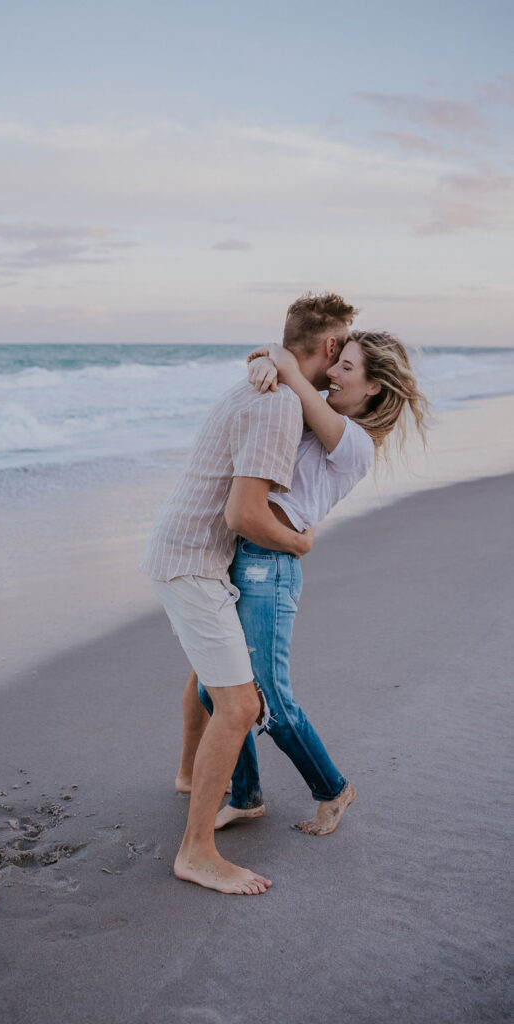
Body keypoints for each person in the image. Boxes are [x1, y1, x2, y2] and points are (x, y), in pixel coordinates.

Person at [141, 292, 358, 895]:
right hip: (196, 563)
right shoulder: (278, 406)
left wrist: (267, 358)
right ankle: (197, 853)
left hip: (179, 552)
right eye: (342, 353)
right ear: (332, 346)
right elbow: (243, 516)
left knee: (206, 674)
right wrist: (301, 544)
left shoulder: (264, 386)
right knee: (240, 705)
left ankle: (191, 776)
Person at [176, 330, 429, 838]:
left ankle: (333, 790)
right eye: (337, 363)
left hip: (269, 566)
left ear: (375, 387)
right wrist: (267, 360)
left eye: (348, 368)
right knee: (213, 685)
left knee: (269, 695)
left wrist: (281, 362)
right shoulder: (317, 421)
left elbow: (295, 369)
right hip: (242, 555)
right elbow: (281, 357)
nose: (333, 373)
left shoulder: (355, 444)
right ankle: (246, 795)